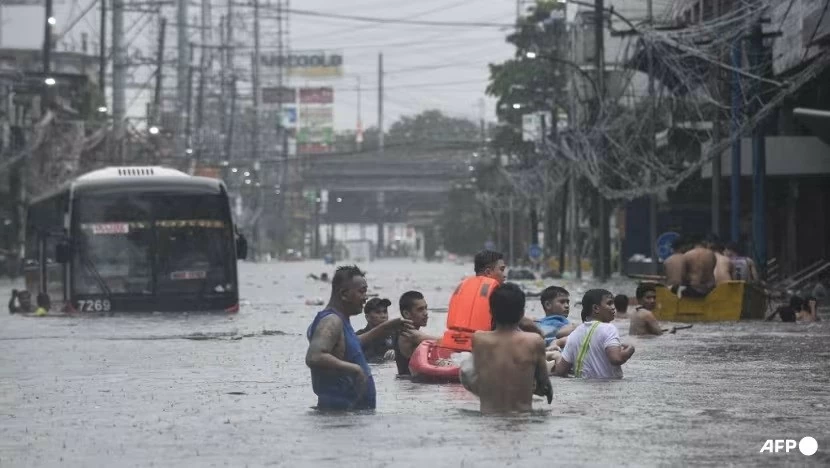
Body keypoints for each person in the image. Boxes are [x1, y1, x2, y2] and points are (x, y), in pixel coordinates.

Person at [305, 265, 412, 410]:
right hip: (339, 416)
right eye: (362, 292)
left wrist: (385, 327)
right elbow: (315, 356)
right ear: (344, 294)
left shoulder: (339, 320)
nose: (365, 297)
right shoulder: (331, 321)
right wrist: (355, 369)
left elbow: (351, 345)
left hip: (350, 416)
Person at [461, 283, 552, 414]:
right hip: (523, 419)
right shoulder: (534, 341)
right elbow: (543, 385)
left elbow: (472, 378)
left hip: (488, 420)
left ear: (491, 312)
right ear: (522, 313)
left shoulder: (479, 339)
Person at [442, 250, 542, 351]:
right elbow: (524, 323)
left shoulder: (463, 286)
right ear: (488, 272)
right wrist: (542, 336)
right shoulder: (497, 293)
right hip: (483, 349)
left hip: (452, 344)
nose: (505, 275)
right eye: (502, 270)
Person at [553, 289, 635, 379]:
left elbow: (560, 371)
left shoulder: (574, 334)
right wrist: (630, 349)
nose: (613, 307)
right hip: (609, 389)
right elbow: (616, 359)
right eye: (609, 303)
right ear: (596, 308)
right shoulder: (608, 328)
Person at [392, 291, 439, 376]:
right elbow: (444, 342)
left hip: (406, 383)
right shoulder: (410, 335)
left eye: (426, 308)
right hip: (413, 384)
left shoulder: (401, 330)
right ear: (406, 314)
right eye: (420, 309)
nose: (426, 313)